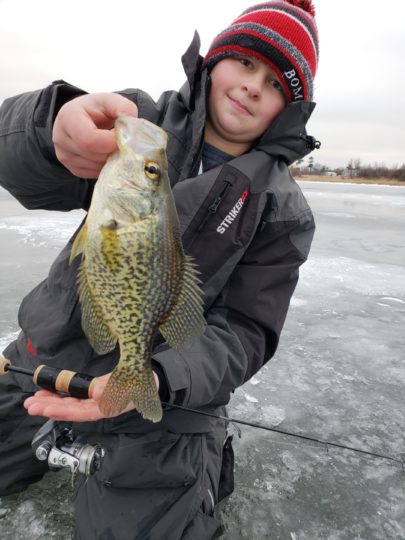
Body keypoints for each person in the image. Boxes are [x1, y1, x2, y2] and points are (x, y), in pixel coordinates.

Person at [0, 1, 319, 538]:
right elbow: (20, 164)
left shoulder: (281, 212)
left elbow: (244, 332)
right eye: (244, 63)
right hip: (46, 358)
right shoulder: (139, 128)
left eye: (275, 83)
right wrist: (51, 127)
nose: (251, 86)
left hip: (169, 400)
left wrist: (158, 376)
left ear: (288, 109)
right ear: (212, 62)